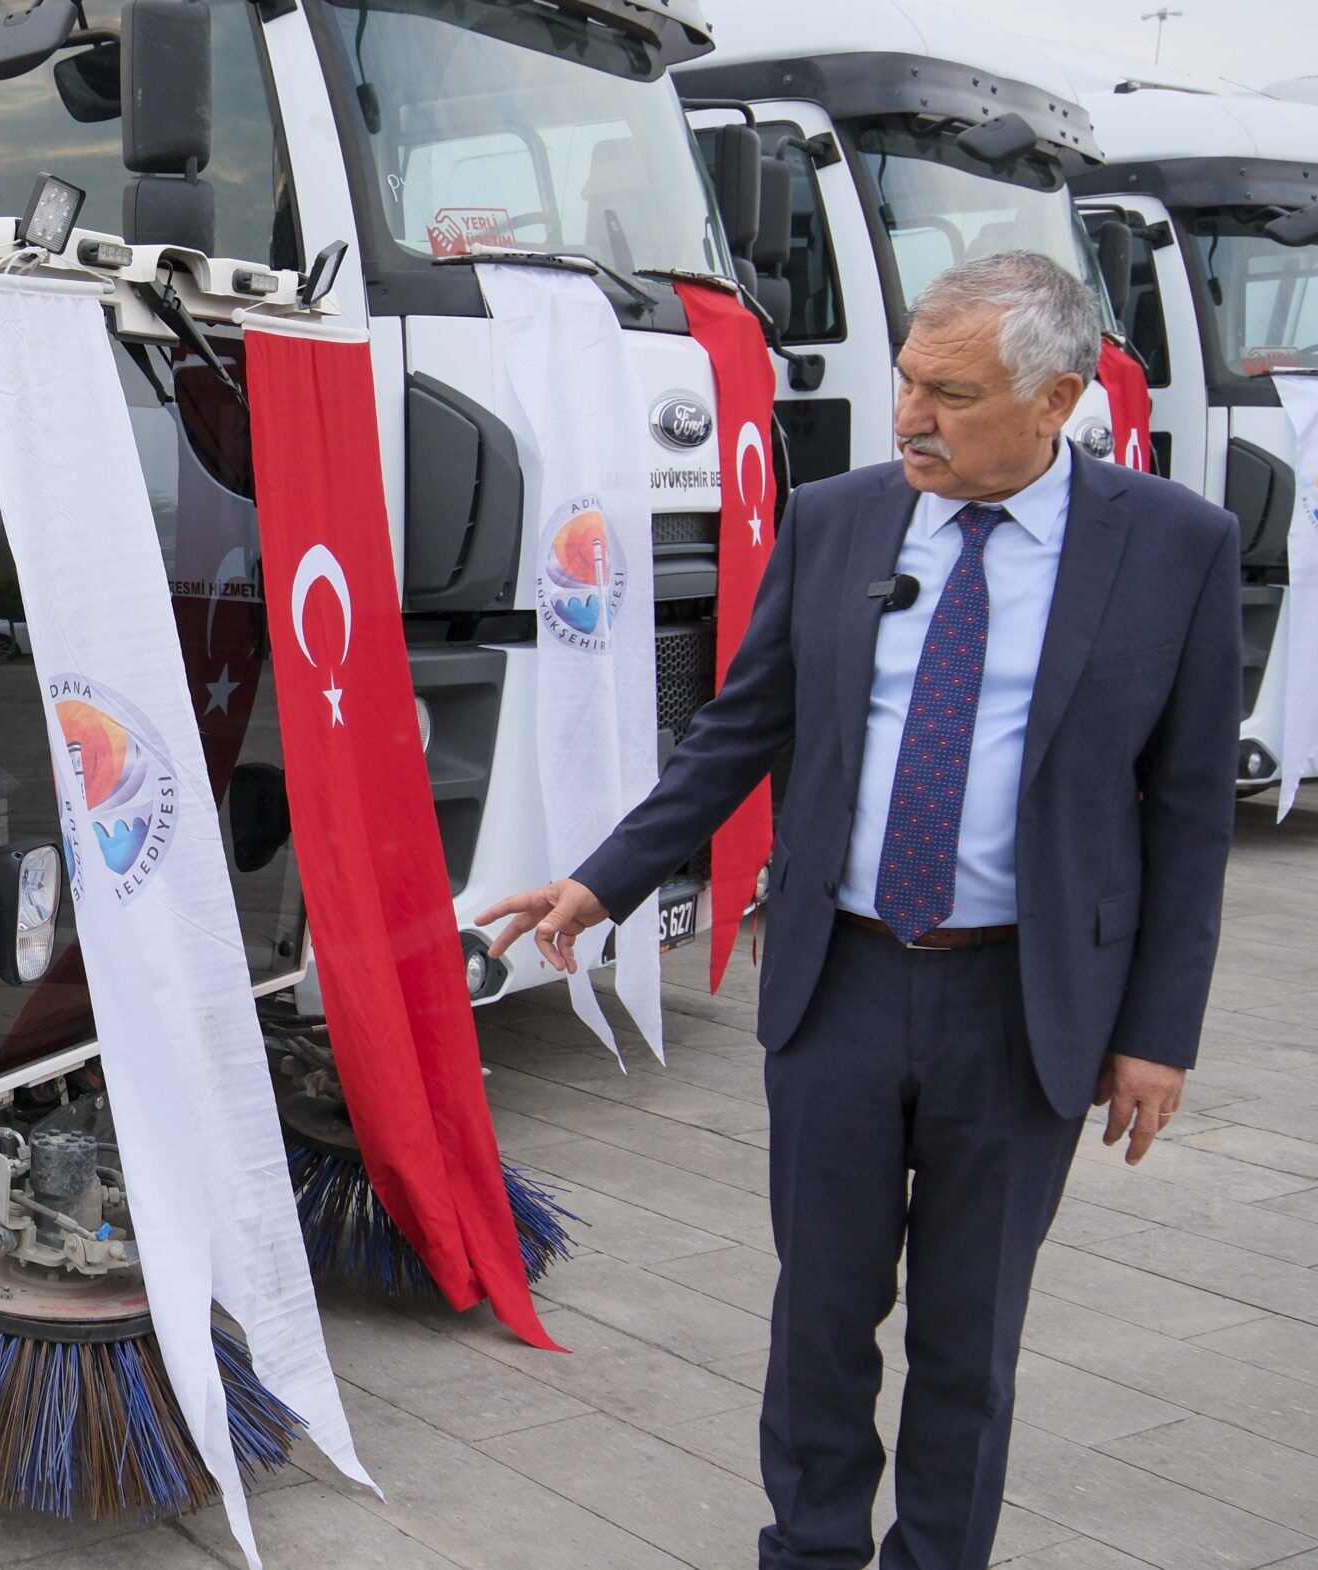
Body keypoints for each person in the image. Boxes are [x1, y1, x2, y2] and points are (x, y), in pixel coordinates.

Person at [478, 251, 1240, 1570]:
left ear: (1055, 399)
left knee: (969, 1333)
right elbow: (738, 732)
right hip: (840, 982)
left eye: (948, 393)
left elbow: (1189, 810)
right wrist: (604, 878)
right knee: (820, 1316)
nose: (906, 416)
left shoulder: (1173, 547)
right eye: (903, 381)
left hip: (1024, 1004)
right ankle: (811, 1550)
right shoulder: (837, 520)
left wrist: (1157, 1030)